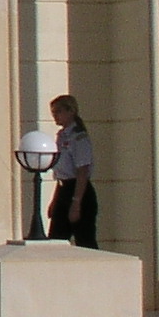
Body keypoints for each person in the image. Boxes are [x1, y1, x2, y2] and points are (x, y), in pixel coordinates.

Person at [43, 95, 98, 249]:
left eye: (58, 111)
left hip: (78, 190)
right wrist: (55, 200)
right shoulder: (61, 136)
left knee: (84, 240)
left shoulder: (78, 137)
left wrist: (76, 203)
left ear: (70, 111)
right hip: (63, 189)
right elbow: (61, 175)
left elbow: (82, 171)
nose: (55, 116)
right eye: (53, 112)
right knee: (55, 240)